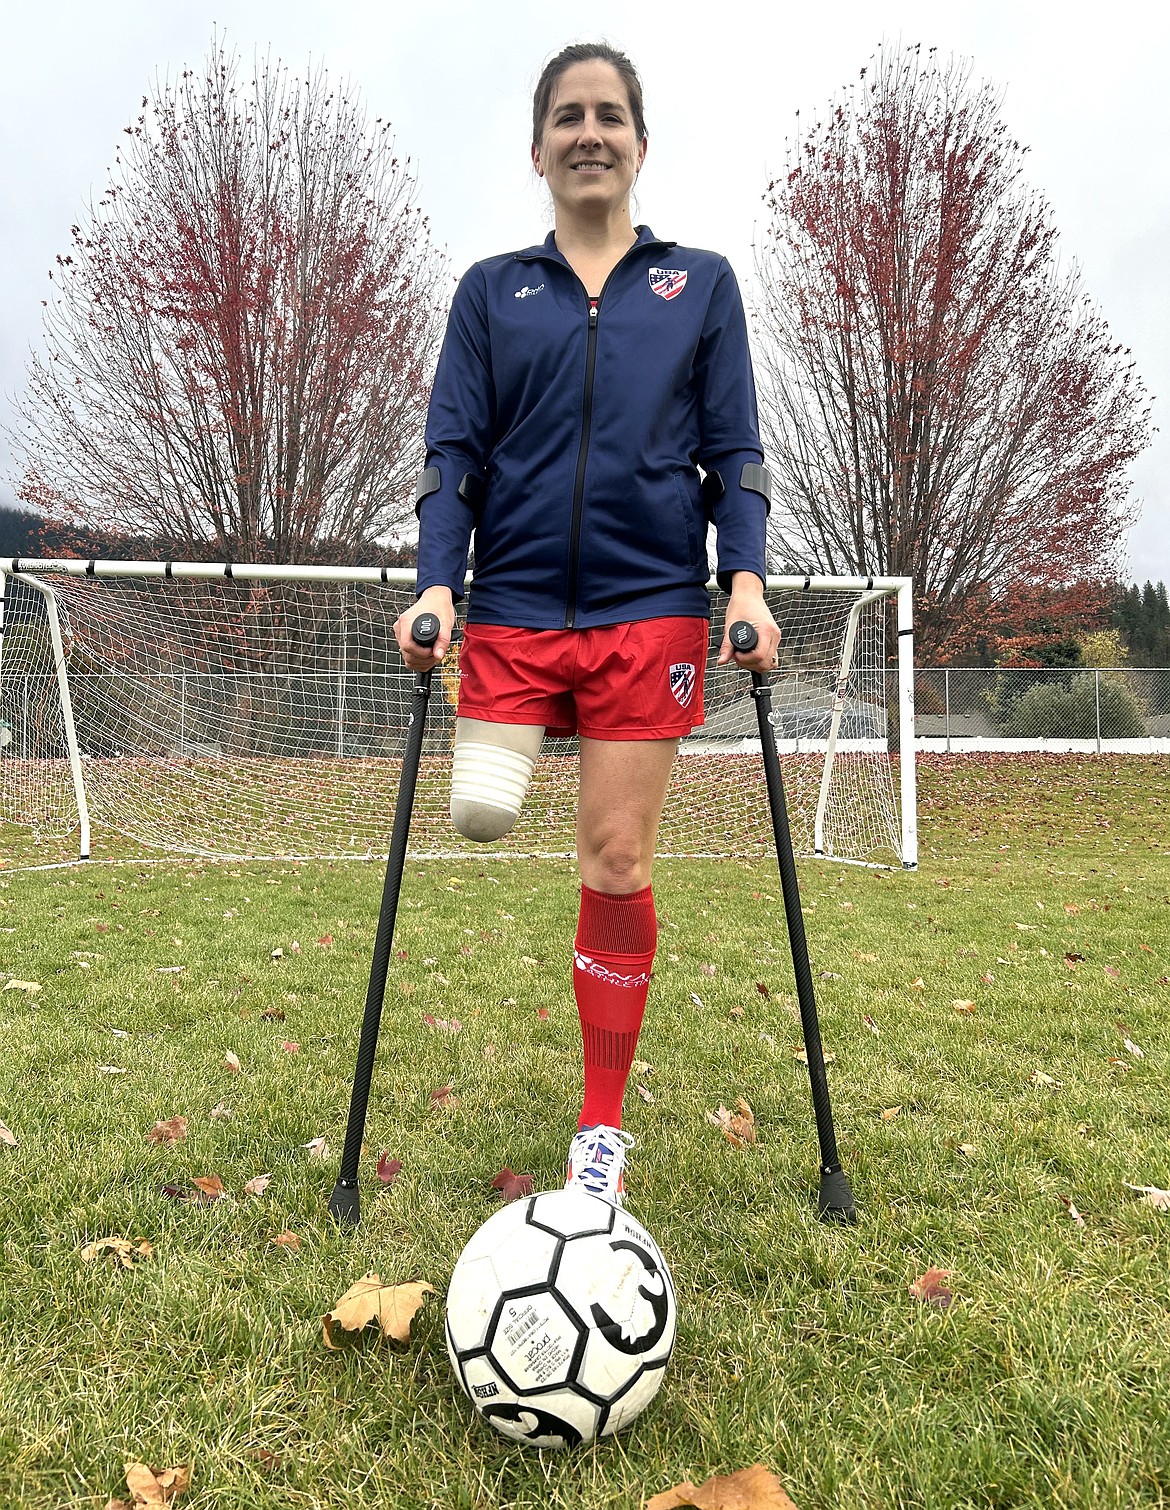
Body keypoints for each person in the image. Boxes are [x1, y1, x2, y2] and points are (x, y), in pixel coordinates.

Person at [394, 41, 780, 1207]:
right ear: (538, 148)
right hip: (510, 604)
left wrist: (746, 583)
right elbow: (452, 456)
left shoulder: (700, 284)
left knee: (616, 855)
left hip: (649, 609)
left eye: (610, 114)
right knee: (476, 812)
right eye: (568, 116)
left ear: (640, 144)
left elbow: (736, 455)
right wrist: (436, 581)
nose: (590, 132)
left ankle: (601, 1124)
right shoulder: (489, 292)